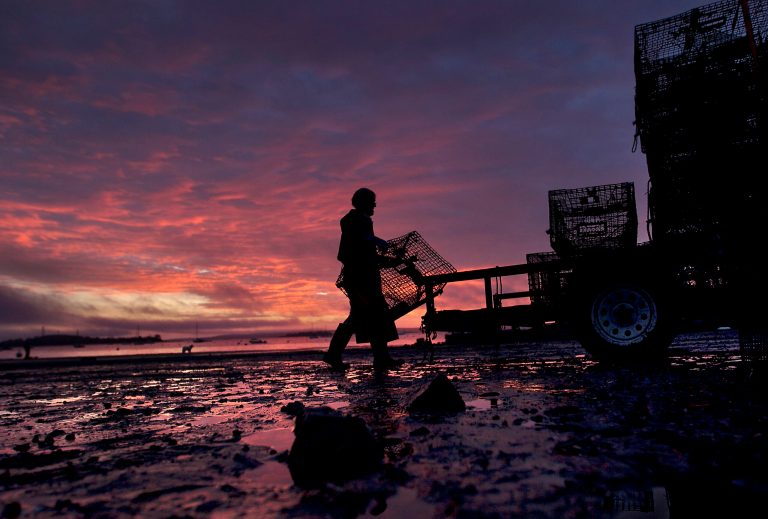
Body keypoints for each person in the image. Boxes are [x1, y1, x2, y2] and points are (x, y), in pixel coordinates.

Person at [323, 187, 404, 371]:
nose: (375, 205)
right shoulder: (359, 222)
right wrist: (377, 244)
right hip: (362, 282)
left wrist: (379, 253)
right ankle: (334, 354)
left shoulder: (354, 222)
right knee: (366, 315)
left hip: (359, 280)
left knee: (374, 316)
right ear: (365, 203)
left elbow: (363, 251)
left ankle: (380, 358)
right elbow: (363, 250)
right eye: (372, 201)